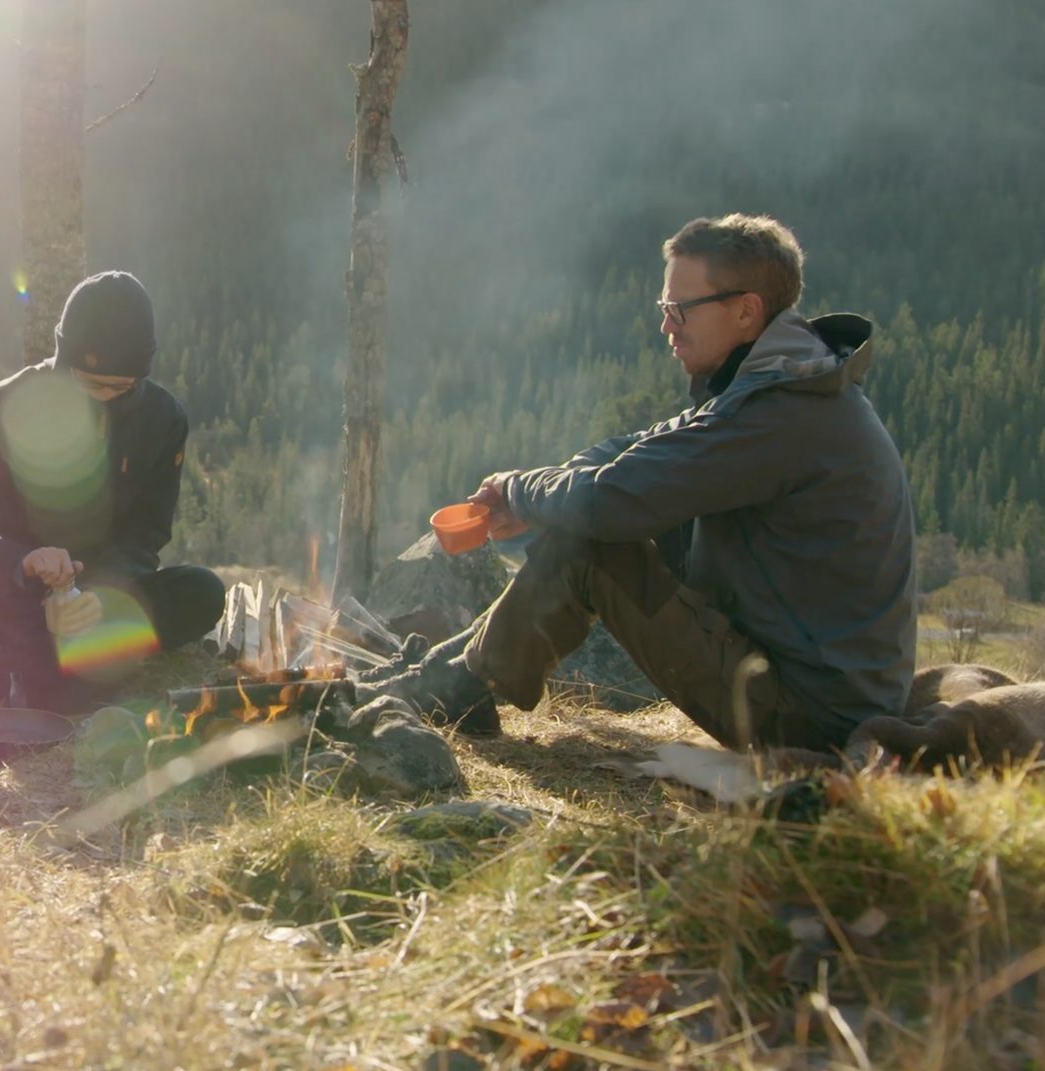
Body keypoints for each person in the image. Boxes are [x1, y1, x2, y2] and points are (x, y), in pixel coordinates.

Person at [365, 214, 916, 753]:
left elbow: (610, 500)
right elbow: (638, 451)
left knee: (591, 544)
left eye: (680, 309)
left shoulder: (780, 412)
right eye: (664, 307)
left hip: (811, 719)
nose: (666, 325)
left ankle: (454, 689)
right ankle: (445, 676)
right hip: (815, 689)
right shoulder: (778, 386)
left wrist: (519, 493)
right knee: (601, 517)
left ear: (748, 310)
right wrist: (536, 493)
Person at [0, 270, 226, 713]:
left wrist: (95, 595)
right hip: (16, 593)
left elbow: (146, 533)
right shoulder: (8, 405)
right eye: (93, 384)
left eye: (123, 387)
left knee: (202, 592)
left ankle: (88, 649)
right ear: (65, 359)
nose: (107, 399)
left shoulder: (163, 418)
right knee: (58, 699)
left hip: (105, 594)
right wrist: (20, 560)